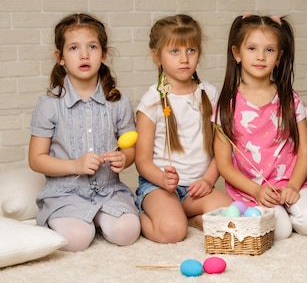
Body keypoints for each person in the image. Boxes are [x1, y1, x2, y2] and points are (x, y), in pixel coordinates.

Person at [28, 13, 140, 252]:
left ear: (104, 54)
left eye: (92, 46)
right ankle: (80, 220)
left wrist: (124, 158)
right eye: (73, 48)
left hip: (109, 190)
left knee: (127, 232)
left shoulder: (118, 102)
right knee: (77, 239)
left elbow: (130, 149)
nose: (84, 55)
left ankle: (99, 218)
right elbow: (36, 159)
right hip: (65, 193)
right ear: (60, 57)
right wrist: (74, 166)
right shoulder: (49, 103)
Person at [214, 14, 307, 240]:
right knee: (280, 231)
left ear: (279, 57)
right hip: (255, 190)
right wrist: (256, 191)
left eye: (270, 50)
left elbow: (305, 150)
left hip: (292, 182)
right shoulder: (226, 104)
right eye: (252, 48)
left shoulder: (289, 98)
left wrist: (293, 186)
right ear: (237, 54)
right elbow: (224, 164)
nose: (261, 57)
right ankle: (280, 214)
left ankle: (292, 209)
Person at [134, 14, 231, 244]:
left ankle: (186, 216)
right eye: (174, 51)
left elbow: (222, 150)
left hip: (195, 189)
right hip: (159, 187)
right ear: (157, 56)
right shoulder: (152, 101)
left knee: (231, 215)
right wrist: (162, 179)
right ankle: (137, 215)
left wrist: (208, 180)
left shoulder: (210, 94)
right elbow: (142, 160)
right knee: (171, 233)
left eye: (191, 50)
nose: (184, 59)